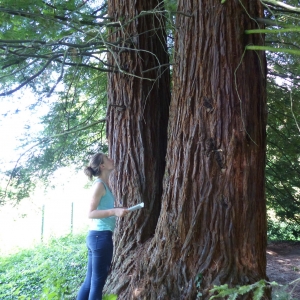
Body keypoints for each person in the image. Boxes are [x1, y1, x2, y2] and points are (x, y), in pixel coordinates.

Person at [77, 153, 129, 300]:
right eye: (108, 158)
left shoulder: (104, 184)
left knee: (90, 282)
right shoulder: (99, 185)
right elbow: (91, 213)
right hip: (100, 238)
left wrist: (118, 209)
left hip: (97, 237)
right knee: (97, 284)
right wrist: (114, 211)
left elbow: (103, 208)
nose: (112, 159)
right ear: (102, 166)